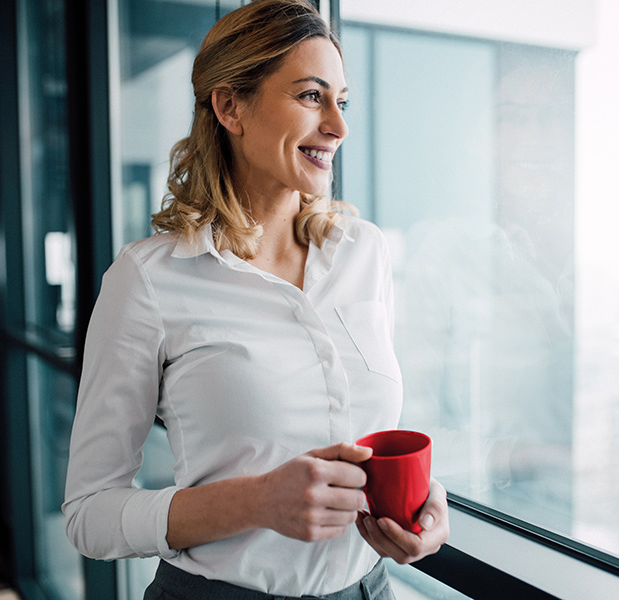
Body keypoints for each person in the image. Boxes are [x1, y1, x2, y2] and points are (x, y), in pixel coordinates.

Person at [62, 1, 449, 599]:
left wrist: (421, 505)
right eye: (310, 96)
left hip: (369, 589)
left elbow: (367, 429)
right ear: (229, 107)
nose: (338, 127)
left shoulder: (364, 252)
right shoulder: (148, 279)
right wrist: (256, 501)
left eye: (341, 102)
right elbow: (89, 514)